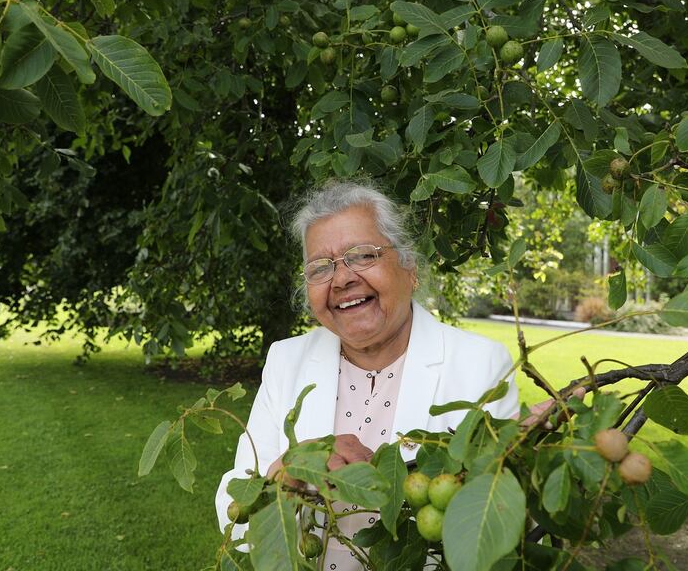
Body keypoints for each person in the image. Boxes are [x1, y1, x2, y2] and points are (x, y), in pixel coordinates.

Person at [214, 179, 521, 568]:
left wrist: (522, 456)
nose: (342, 279)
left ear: (409, 267)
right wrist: (284, 472)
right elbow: (234, 507)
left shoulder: (482, 364)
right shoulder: (285, 359)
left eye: (362, 255)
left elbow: (489, 527)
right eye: (320, 267)